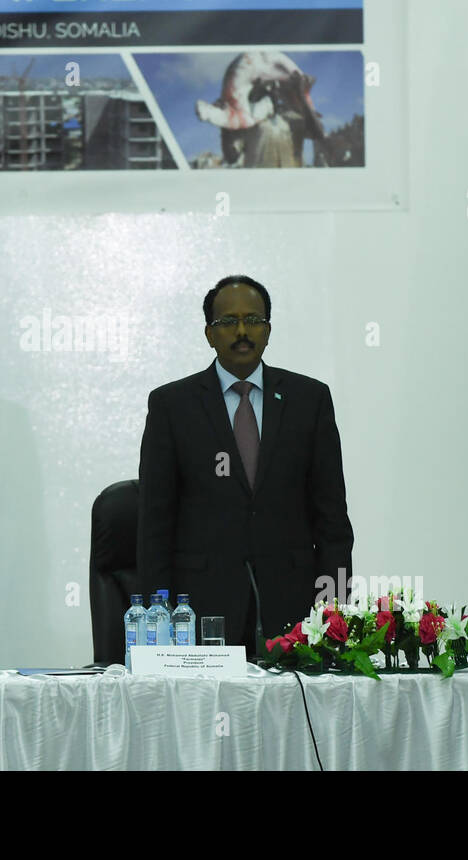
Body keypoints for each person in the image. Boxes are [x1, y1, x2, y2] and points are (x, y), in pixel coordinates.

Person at [136, 274, 353, 659]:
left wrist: (333, 613)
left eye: (253, 321)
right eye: (227, 322)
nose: (242, 331)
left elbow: (332, 524)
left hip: (295, 611)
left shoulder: (309, 400)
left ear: (268, 330)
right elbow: (155, 524)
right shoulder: (173, 406)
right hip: (202, 611)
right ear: (209, 333)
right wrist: (161, 619)